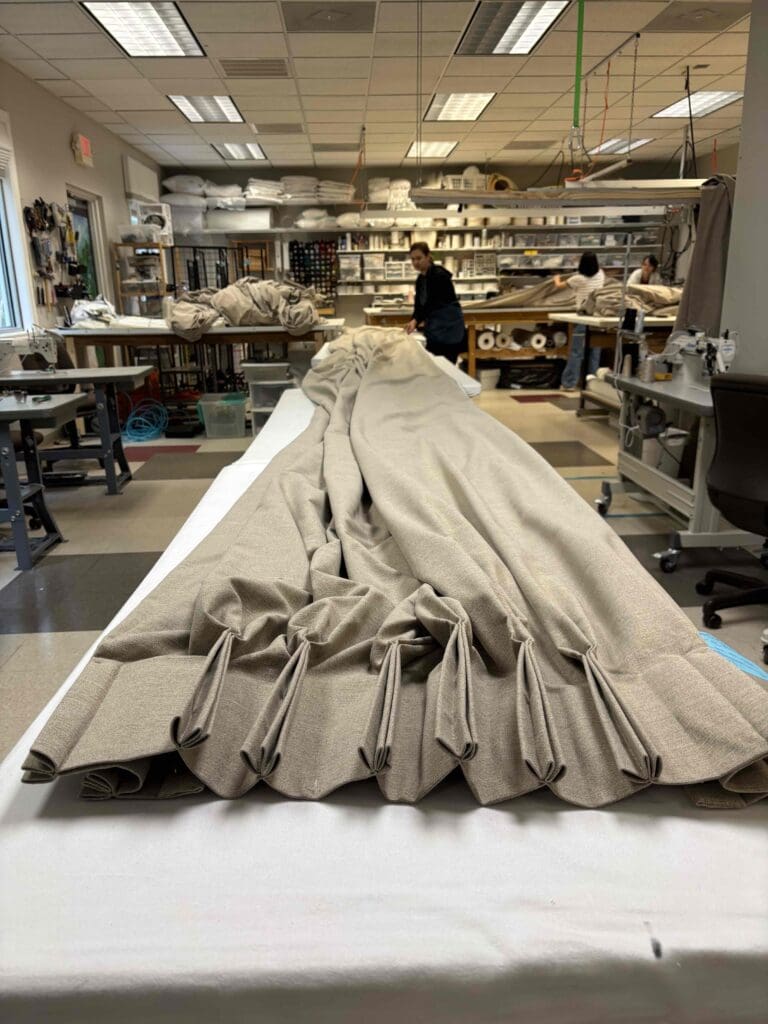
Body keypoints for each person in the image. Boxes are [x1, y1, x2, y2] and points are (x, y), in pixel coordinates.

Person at [553, 252, 606, 391]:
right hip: (597, 317)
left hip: (583, 317)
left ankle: (569, 383)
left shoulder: (578, 279)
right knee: (595, 352)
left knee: (576, 352)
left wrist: (556, 278)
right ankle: (592, 384)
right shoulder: (600, 274)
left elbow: (559, 286)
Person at [405, 242, 466, 363]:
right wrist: (414, 319)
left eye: (419, 258)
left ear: (428, 257)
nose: (415, 262)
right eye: (413, 259)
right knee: (434, 364)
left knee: (446, 366)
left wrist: (416, 321)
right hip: (435, 329)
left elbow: (432, 303)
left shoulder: (439, 275)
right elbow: (419, 305)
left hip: (448, 328)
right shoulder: (420, 279)